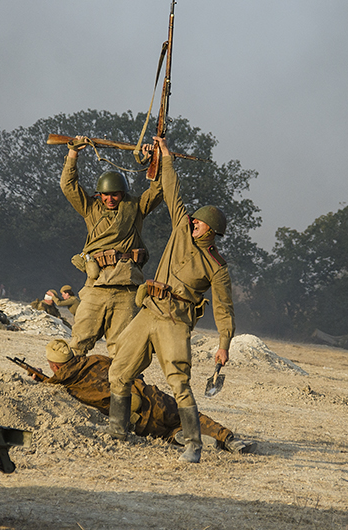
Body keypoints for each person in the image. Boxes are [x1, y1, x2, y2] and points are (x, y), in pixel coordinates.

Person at [107, 136, 235, 463]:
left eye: (199, 221)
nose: (193, 221)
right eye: (193, 219)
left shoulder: (217, 268)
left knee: (179, 382)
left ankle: (194, 444)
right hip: (148, 312)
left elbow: (223, 309)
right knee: (119, 372)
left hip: (175, 323)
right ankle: (117, 431)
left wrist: (224, 344)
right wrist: (165, 157)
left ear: (210, 231)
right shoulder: (180, 228)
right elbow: (172, 189)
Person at [42, 339, 251, 453]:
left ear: (54, 366)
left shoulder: (64, 383)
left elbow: (50, 387)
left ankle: (182, 438)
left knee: (163, 434)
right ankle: (228, 439)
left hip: (138, 420)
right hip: (152, 396)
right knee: (188, 416)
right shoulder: (95, 359)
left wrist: (39, 379)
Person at [61, 137, 163, 358]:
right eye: (105, 194)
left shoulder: (135, 208)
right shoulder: (90, 209)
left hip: (126, 289)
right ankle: (66, 383)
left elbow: (158, 190)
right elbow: (68, 186)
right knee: (78, 343)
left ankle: (119, 392)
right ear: (99, 194)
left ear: (123, 194)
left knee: (122, 350)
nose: (110, 198)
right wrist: (73, 154)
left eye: (115, 194)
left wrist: (156, 157)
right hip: (96, 286)